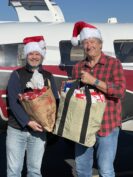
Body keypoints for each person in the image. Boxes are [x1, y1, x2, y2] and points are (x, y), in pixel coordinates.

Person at [71, 21, 126, 177]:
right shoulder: (78, 67)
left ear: (100, 44)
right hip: (83, 126)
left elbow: (120, 92)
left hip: (106, 124)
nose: (89, 46)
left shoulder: (113, 64)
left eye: (93, 42)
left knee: (106, 169)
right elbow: (75, 96)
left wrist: (93, 81)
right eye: (86, 42)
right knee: (82, 169)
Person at [6, 35, 59, 177]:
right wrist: (28, 122)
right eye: (31, 53)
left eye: (37, 54)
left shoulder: (48, 76)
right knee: (13, 171)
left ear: (41, 56)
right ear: (26, 55)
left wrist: (51, 122)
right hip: (17, 129)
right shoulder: (16, 75)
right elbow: (12, 101)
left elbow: (55, 101)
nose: (34, 57)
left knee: (35, 171)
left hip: (39, 130)